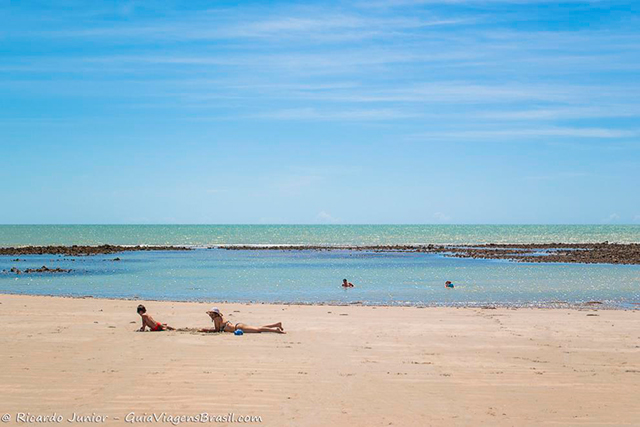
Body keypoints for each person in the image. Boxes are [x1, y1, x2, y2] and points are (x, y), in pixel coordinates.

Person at [199, 307, 285, 334]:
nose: (210, 315)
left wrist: (205, 330)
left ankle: (276, 331)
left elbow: (216, 330)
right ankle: (276, 325)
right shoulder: (220, 317)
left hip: (238, 328)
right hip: (238, 326)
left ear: (214, 314)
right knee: (258, 328)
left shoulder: (216, 319)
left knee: (258, 330)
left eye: (211, 314)